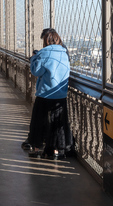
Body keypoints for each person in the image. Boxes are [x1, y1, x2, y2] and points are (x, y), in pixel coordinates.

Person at [26, 29, 72, 159]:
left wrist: (34, 57)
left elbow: (36, 71)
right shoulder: (64, 54)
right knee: (57, 124)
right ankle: (55, 152)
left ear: (45, 41)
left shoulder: (44, 53)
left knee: (39, 123)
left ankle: (36, 150)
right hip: (60, 96)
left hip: (45, 95)